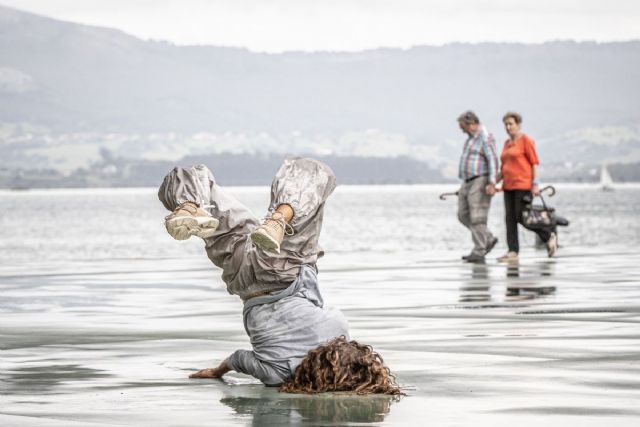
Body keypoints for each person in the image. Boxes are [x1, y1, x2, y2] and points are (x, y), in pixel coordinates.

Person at [158, 156, 402, 395]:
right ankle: (194, 206)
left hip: (283, 268)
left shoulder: (337, 327)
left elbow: (312, 295)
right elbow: (238, 359)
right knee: (213, 203)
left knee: (312, 171)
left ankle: (265, 216)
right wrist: (216, 372)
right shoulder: (274, 374)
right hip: (241, 278)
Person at [496, 112, 557, 262]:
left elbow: (534, 163)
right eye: (506, 124)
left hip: (523, 185)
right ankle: (513, 251)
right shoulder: (507, 143)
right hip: (508, 186)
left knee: (522, 218)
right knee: (509, 219)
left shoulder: (526, 141)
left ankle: (548, 235)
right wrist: (493, 183)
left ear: (518, 125)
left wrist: (535, 184)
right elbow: (504, 167)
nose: (508, 127)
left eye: (511, 124)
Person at [456, 110, 499, 263]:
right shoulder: (470, 138)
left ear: (472, 124)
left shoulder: (485, 137)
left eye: (463, 127)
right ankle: (488, 238)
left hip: (481, 179)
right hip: (468, 181)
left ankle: (479, 250)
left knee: (477, 217)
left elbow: (493, 160)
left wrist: (492, 182)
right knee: (463, 215)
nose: (461, 130)